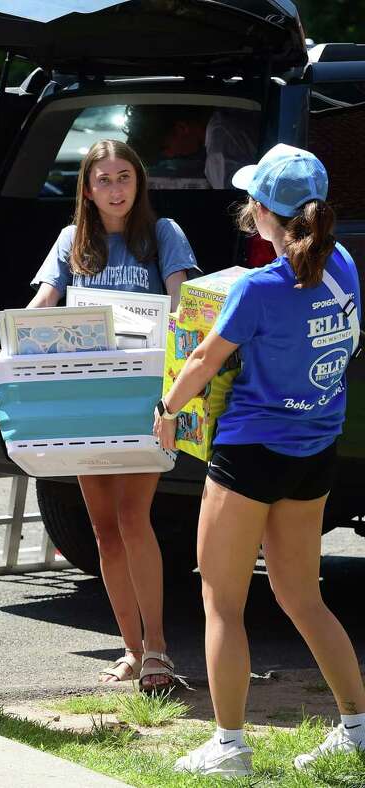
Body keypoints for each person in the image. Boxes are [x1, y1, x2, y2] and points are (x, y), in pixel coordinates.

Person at [159, 145, 365, 778]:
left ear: (263, 212)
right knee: (304, 598)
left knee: (221, 601)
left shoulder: (257, 287)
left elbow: (202, 361)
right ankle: (357, 729)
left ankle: (228, 747)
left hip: (250, 453)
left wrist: (167, 413)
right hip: (315, 451)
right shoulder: (348, 266)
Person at [26, 139, 199, 693]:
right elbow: (42, 307)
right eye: (103, 180)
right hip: (85, 400)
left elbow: (183, 307)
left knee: (132, 517)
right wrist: (10, 353)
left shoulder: (164, 234)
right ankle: (129, 648)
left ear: (139, 181)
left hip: (143, 399)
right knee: (102, 528)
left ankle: (158, 650)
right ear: (87, 188)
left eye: (124, 176)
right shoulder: (69, 241)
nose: (115, 188)